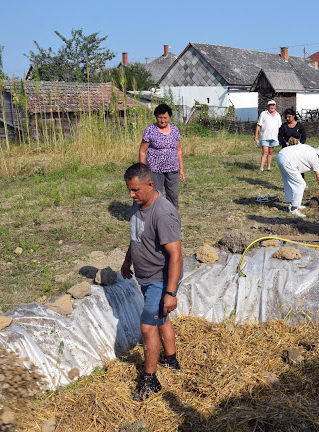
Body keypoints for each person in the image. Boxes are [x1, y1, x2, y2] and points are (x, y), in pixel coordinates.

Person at [120, 163, 183, 401]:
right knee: (160, 318)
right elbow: (135, 236)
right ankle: (171, 359)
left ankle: (149, 380)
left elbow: (175, 255)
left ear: (150, 184)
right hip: (145, 276)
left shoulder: (163, 213)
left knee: (148, 327)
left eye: (135, 190)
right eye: (129, 190)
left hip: (160, 278)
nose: (131, 195)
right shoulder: (137, 205)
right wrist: (128, 262)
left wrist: (171, 292)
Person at [139, 103, 185, 209]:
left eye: (165, 117)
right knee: (156, 195)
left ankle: (172, 216)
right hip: (155, 170)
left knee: (173, 195)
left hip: (172, 168)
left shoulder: (174, 130)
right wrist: (142, 170)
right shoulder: (150, 130)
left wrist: (181, 169)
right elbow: (142, 151)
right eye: (160, 118)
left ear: (169, 117)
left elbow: (179, 150)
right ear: (156, 117)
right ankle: (156, 217)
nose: (163, 120)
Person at [276, 144, 319, 217]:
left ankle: (292, 203)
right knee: (301, 184)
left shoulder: (310, 149)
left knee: (288, 181)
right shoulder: (315, 159)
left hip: (281, 155)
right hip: (287, 160)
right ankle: (293, 208)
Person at [254, 100, 282, 171]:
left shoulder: (278, 115)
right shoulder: (264, 114)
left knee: (270, 152)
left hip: (274, 136)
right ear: (268, 106)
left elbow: (280, 127)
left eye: (273, 105)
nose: (271, 106)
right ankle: (261, 168)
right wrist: (256, 136)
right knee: (265, 152)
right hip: (265, 136)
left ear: (275, 106)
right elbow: (258, 125)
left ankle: (269, 167)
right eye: (270, 105)